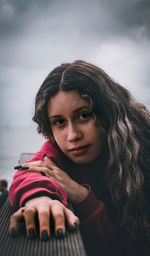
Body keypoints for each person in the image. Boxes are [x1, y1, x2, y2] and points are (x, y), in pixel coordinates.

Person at [9, 60, 150, 256]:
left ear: (108, 113)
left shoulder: (142, 152)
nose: (72, 135)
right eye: (59, 122)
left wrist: (82, 196)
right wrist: (39, 199)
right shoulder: (59, 150)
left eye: (84, 116)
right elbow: (32, 170)